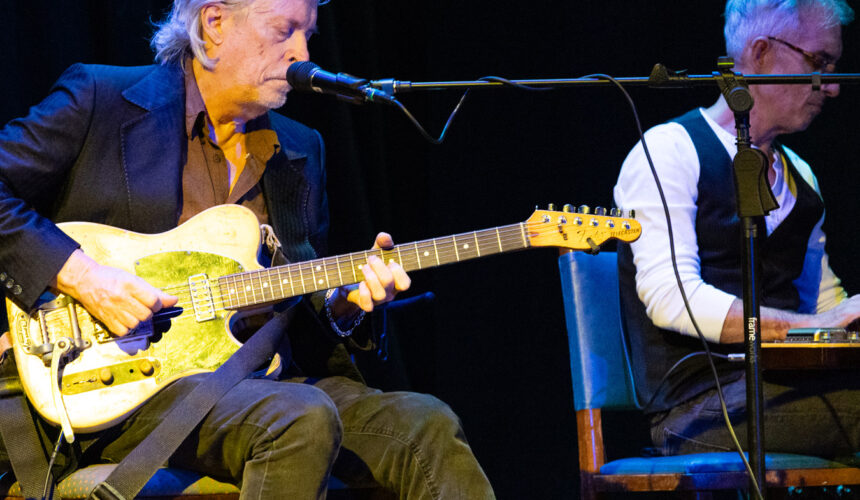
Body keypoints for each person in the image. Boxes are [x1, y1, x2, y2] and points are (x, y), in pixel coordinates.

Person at [0, 0, 495, 497]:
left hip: (263, 382)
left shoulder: (300, 149)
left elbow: (300, 305)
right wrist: (84, 276)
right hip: (125, 387)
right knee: (298, 418)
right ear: (214, 24)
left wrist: (344, 304)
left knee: (425, 423)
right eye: (283, 30)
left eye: (308, 35)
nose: (303, 54)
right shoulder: (102, 98)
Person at [614, 0, 860, 458]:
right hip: (697, 408)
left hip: (788, 389)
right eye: (819, 62)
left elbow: (823, 304)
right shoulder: (669, 151)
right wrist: (813, 326)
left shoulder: (802, 176)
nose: (831, 87)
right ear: (761, 53)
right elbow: (673, 299)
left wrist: (847, 321)